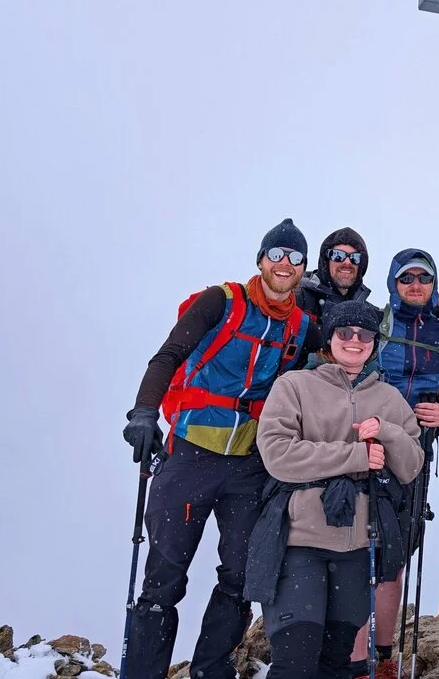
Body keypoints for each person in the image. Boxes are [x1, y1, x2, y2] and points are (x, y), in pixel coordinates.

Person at [121, 218, 319, 679]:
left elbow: (347, 350)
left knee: (240, 576)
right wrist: (143, 413)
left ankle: (212, 670)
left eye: (294, 257)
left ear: (303, 268)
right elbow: (168, 356)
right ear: (260, 260)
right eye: (277, 254)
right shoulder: (221, 302)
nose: (284, 264)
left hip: (251, 464)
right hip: (191, 455)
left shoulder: (302, 325)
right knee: (164, 578)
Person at [250, 300, 424, 679]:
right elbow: (277, 454)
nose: (355, 341)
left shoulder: (389, 398)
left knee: (336, 665)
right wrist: (356, 457)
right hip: (299, 544)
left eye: (365, 334)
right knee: (294, 663)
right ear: (330, 338)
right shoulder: (294, 385)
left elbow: (411, 466)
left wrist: (387, 429)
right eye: (345, 333)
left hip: (359, 548)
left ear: (375, 343)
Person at [349, 249, 439, 678]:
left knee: (395, 551)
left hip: (416, 450)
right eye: (407, 278)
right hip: (369, 449)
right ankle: (356, 657)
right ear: (393, 282)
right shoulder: (377, 323)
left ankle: (383, 655)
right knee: (360, 547)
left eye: (424, 279)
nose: (415, 285)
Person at [298, 227, 374, 318]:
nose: (347, 262)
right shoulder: (297, 299)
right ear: (325, 261)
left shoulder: (368, 314)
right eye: (338, 255)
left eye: (355, 257)